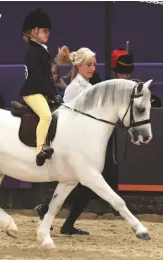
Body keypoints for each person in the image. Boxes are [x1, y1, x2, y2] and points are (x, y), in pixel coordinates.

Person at [35, 46, 100, 235]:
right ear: (78, 66)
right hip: (73, 145)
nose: (92, 69)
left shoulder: (88, 86)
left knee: (83, 187)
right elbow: (67, 118)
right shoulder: (74, 88)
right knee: (83, 186)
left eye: (94, 65)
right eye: (88, 65)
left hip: (83, 144)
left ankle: (55, 214)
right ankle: (60, 219)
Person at [19, 8, 62, 167]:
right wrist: (52, 94)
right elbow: (38, 78)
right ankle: (40, 149)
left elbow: (48, 78)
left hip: (40, 90)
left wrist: (55, 94)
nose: (48, 33)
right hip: (33, 92)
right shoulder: (33, 52)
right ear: (34, 32)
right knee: (46, 116)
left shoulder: (40, 51)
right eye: (45, 30)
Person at [111, 43, 162, 107]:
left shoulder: (138, 86)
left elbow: (154, 101)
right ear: (115, 73)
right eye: (121, 73)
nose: (125, 77)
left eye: (127, 73)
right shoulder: (110, 89)